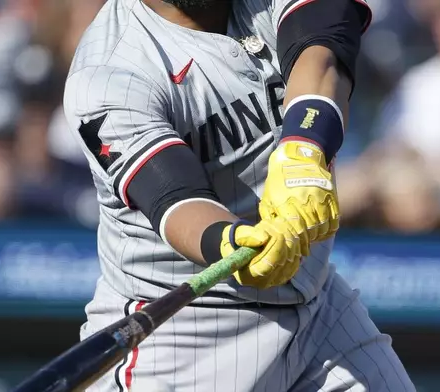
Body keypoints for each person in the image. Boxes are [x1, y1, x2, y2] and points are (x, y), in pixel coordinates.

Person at [63, 0, 414, 391]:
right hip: (188, 332)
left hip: (318, 310)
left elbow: (324, 47)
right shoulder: (108, 72)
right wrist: (230, 241)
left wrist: (305, 150)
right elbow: (174, 198)